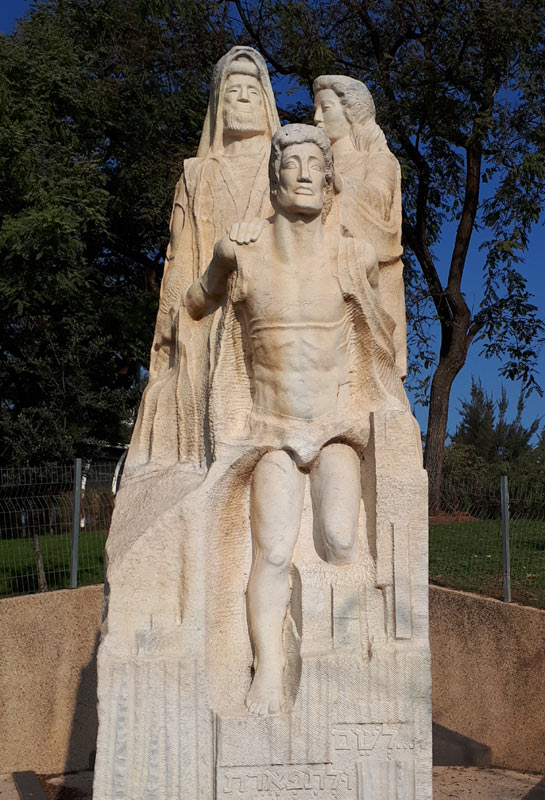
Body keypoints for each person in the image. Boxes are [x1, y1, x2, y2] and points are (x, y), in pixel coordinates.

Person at [187, 124, 408, 715]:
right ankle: (268, 669)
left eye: (317, 162)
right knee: (275, 551)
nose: (306, 172)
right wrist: (217, 261)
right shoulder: (246, 252)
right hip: (269, 429)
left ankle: (353, 666)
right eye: (294, 163)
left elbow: (381, 341)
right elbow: (192, 305)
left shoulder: (351, 253)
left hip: (335, 423)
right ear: (275, 178)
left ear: (330, 181)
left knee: (340, 538)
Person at [127, 47, 280, 470]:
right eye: (234, 91)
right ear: (218, 103)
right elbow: (179, 265)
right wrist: (169, 338)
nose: (245, 98)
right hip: (208, 309)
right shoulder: (196, 176)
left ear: (267, 102)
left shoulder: (288, 169)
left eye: (253, 89)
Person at [313, 74, 407, 380]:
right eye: (315, 109)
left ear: (350, 113)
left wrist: (338, 184)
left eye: (325, 109)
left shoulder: (378, 161)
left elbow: (380, 205)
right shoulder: (304, 168)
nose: (316, 118)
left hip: (361, 280)